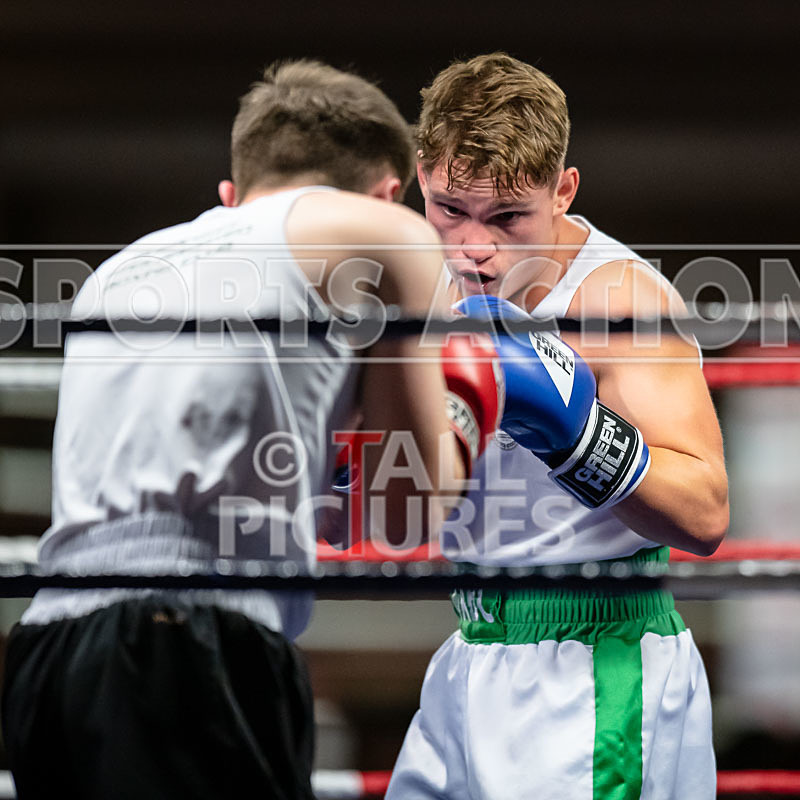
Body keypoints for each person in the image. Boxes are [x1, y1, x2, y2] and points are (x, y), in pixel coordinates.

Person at [0, 60, 504, 800]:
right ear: (391, 192)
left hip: (47, 650)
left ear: (231, 195)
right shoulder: (389, 233)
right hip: (192, 643)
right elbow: (405, 514)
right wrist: (464, 406)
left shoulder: (119, 270)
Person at [387, 52, 729, 800]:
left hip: (595, 663)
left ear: (563, 189)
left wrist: (578, 441)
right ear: (420, 177)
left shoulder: (619, 300)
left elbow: (706, 513)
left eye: (508, 217)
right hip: (471, 647)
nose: (474, 246)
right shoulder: (413, 287)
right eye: (450, 208)